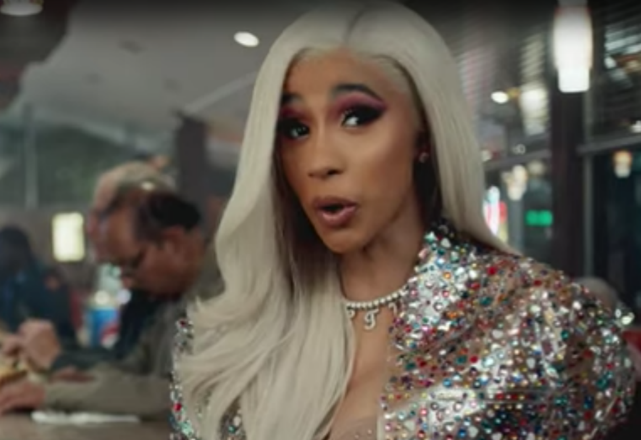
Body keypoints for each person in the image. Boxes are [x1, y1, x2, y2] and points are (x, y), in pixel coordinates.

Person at [170, 4, 636, 440]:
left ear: (424, 134)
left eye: (357, 117)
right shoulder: (227, 341)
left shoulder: (535, 318)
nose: (319, 160)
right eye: (296, 128)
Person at [0, 189, 221, 417]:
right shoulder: (174, 297)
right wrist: (78, 380)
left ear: (173, 243)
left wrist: (52, 394)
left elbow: (179, 394)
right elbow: (133, 367)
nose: (127, 282)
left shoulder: (224, 298)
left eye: (131, 265)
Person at [1, 164, 175, 376]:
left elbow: (151, 387)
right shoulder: (147, 295)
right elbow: (122, 360)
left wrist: (56, 359)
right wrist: (50, 352)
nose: (90, 228)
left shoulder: (188, 300)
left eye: (101, 216)